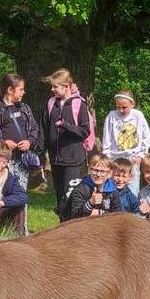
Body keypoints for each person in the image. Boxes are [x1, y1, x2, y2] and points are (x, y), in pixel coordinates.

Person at [0, 73, 42, 191]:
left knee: (20, 192)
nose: (23, 92)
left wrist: (29, 142)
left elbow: (34, 129)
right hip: (2, 160)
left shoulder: (24, 108)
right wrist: (3, 142)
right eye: (21, 89)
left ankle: (21, 210)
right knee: (2, 192)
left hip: (21, 161)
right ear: (10, 90)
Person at [44, 68, 92, 211]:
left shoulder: (79, 104)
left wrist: (66, 125)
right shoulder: (51, 103)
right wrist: (41, 152)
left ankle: (72, 226)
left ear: (66, 86)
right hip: (55, 158)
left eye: (55, 87)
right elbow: (44, 128)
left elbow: (85, 131)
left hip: (73, 158)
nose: (52, 89)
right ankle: (62, 227)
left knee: (70, 194)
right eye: (51, 86)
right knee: (60, 197)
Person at [101, 90, 150, 192]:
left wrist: (141, 155)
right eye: (118, 107)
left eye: (124, 107)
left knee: (132, 188)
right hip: (115, 159)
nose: (121, 110)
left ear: (132, 104)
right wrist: (107, 158)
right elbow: (106, 138)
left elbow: (146, 136)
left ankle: (130, 207)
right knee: (113, 187)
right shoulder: (111, 116)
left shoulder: (138, 115)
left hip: (132, 159)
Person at [62, 153, 121, 221]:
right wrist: (90, 203)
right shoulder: (80, 190)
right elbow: (75, 217)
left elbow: (117, 216)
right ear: (89, 170)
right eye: (95, 170)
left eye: (103, 171)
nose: (98, 174)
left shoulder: (113, 191)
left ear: (109, 174)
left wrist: (100, 213)